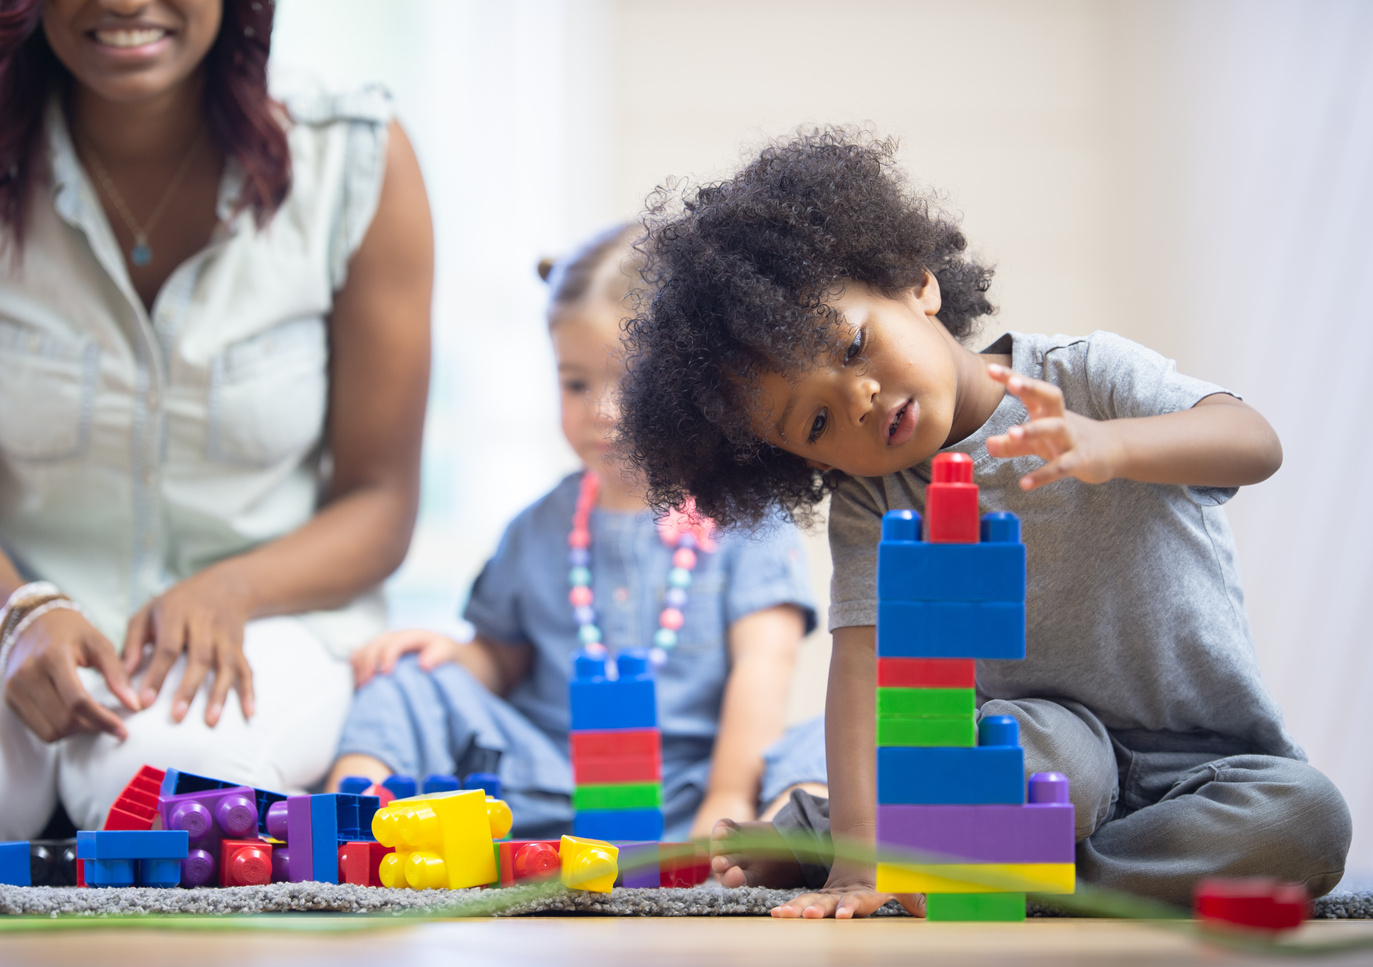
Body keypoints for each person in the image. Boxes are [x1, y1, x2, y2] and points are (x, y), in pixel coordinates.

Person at [615, 129, 1352, 915]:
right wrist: (863, 865)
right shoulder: (875, 496)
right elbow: (861, 665)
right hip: (1033, 747)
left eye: (854, 346)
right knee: (1033, 757)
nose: (856, 399)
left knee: (1304, 819)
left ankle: (1003, 875)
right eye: (818, 422)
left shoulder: (1087, 379)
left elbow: (1254, 443)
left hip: (1204, 763)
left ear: (915, 283)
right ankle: (884, 844)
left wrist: (1112, 444)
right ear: (797, 460)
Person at [0, 0, 433, 838]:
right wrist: (20, 609)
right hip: (18, 611)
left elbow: (379, 503)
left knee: (163, 793)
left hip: (266, 623)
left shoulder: (354, 157)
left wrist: (232, 587)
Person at [327, 225, 827, 841]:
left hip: (696, 790)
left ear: (700, 382)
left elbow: (765, 666)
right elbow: (503, 657)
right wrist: (455, 659)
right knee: (406, 683)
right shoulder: (540, 526)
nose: (603, 410)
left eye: (631, 381)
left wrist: (725, 795)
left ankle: (768, 843)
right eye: (576, 383)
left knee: (842, 735)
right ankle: (346, 833)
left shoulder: (748, 516)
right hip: (550, 786)